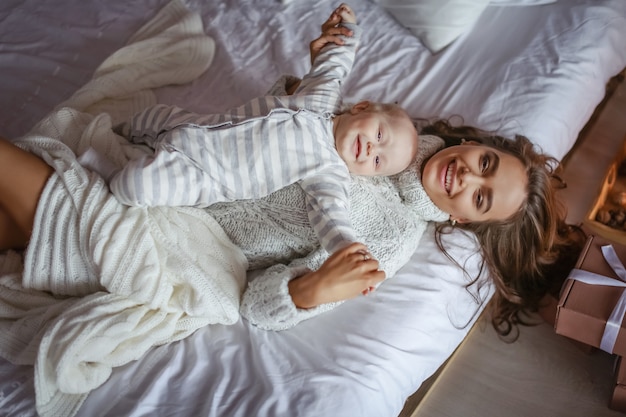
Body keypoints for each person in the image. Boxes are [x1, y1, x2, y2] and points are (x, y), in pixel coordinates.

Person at [102, 3, 419, 259]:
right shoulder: (321, 98)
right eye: (380, 136)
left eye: (378, 162)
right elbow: (334, 65)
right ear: (361, 108)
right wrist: (347, 30)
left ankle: (101, 172)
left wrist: (346, 248)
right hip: (193, 124)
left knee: (133, 186)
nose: (372, 150)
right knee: (146, 118)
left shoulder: (329, 171)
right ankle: (118, 135)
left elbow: (331, 217)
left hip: (204, 176)